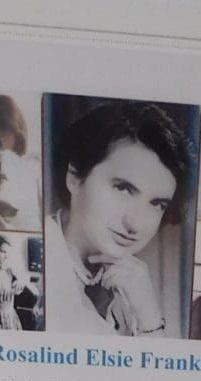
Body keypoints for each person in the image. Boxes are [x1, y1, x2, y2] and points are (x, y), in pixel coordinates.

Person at [46, 100, 191, 337]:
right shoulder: (36, 263)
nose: (135, 224)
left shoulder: (132, 287)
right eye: (123, 188)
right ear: (75, 178)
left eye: (157, 204)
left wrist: (149, 319)